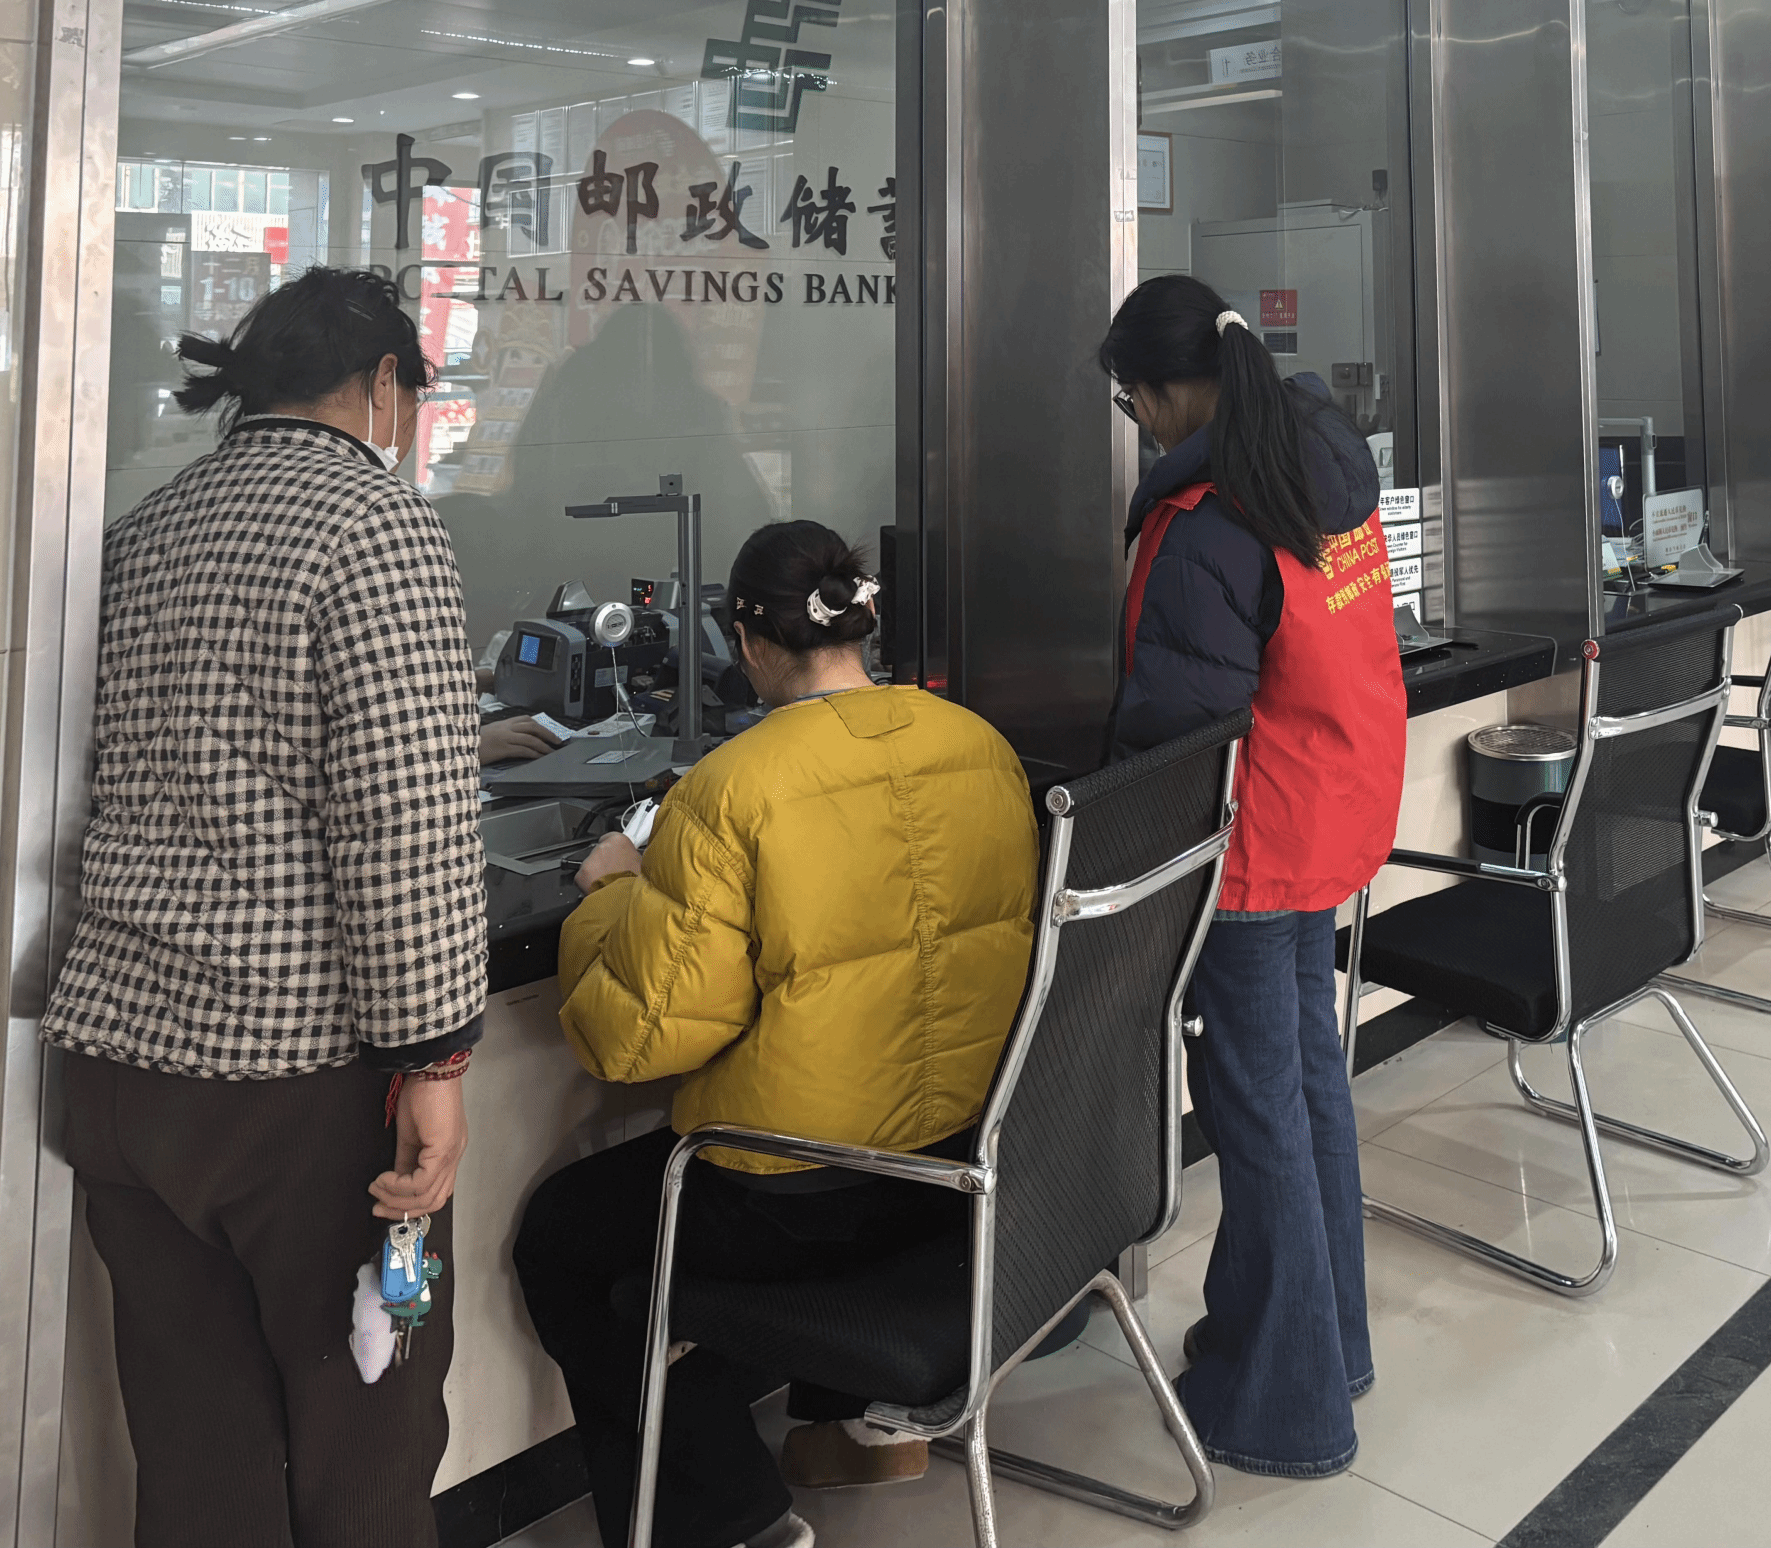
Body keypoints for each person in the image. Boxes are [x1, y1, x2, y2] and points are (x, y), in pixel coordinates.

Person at [43, 267, 487, 1547]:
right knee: (365, 1438)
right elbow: (405, 825)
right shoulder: (375, 525)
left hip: (122, 1069)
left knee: (197, 1455)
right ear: (385, 384)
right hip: (297, 1088)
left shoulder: (148, 525)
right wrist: (433, 1061)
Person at [514, 521, 1038, 1548]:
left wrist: (612, 893)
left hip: (797, 1198)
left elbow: (637, 1039)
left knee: (564, 1241)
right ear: (860, 623)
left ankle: (729, 1520)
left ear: (749, 643)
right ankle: (858, 1430)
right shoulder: (976, 744)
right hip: (957, 1164)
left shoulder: (731, 789)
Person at [1097, 274, 1405, 1479]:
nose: (1139, 424)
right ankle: (1329, 1348)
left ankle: (1287, 1408)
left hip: (1253, 842)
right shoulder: (1317, 464)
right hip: (1330, 813)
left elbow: (1180, 727)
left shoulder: (1210, 520)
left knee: (1257, 1108)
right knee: (1309, 1086)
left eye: (1133, 401)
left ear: (1171, 390)